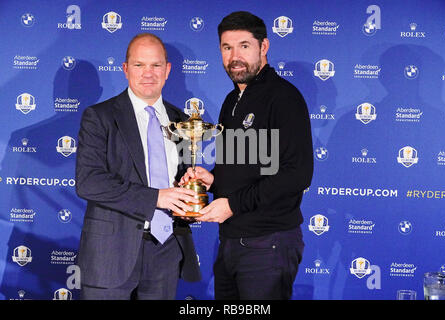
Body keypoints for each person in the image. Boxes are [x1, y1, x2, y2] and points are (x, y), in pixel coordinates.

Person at [180, 11, 313, 300]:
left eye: (244, 46)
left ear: (263, 47)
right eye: (227, 48)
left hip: (268, 243)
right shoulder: (232, 100)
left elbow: (297, 174)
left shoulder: (284, 97)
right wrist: (212, 180)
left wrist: (233, 204)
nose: (235, 56)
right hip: (231, 241)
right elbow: (242, 168)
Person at [75, 33, 201, 300]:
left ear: (167, 70)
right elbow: (89, 181)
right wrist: (156, 197)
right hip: (110, 254)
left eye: (156, 65)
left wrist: (190, 190)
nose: (148, 74)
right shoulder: (100, 117)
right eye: (139, 65)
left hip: (166, 251)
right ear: (125, 69)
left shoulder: (182, 120)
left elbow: (182, 181)